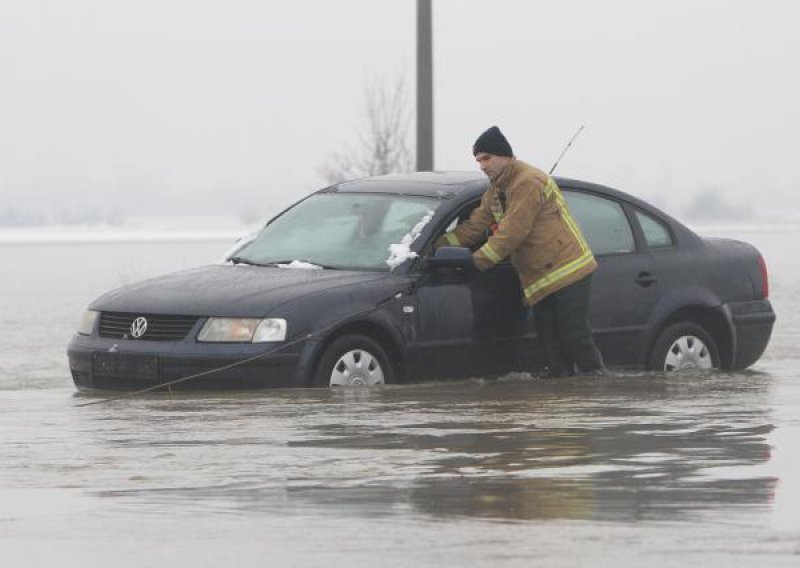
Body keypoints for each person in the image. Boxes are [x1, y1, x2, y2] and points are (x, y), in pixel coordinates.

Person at [436, 125, 605, 377]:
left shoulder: (528, 182)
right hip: (539, 278)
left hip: (568, 270)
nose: (482, 165)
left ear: (505, 156)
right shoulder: (495, 191)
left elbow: (512, 232)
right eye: (478, 160)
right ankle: (564, 401)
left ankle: (596, 383)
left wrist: (476, 261)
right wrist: (437, 244)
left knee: (574, 337)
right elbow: (475, 226)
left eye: (486, 158)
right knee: (551, 346)